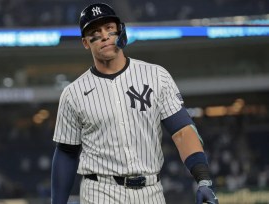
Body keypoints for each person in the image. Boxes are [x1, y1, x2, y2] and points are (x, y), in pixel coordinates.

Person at [51, 2, 219, 204]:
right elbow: (66, 153)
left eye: (109, 28)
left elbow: (182, 130)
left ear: (120, 31)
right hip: (100, 191)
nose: (104, 36)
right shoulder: (73, 93)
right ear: (86, 42)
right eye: (95, 31)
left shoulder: (156, 76)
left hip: (150, 191)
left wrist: (203, 179)